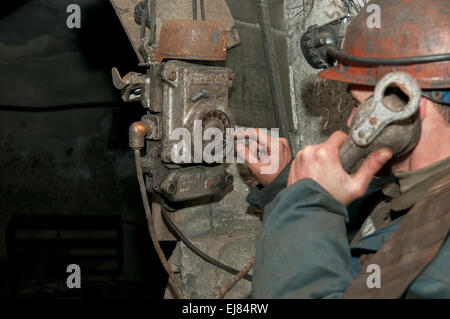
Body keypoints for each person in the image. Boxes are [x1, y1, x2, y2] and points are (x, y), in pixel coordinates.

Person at [234, 0, 450, 298]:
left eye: (359, 107)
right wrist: (285, 184)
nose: (350, 121)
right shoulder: (401, 189)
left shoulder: (438, 271)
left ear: (408, 104)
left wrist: (307, 205)